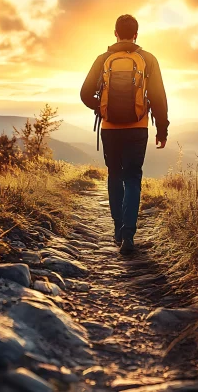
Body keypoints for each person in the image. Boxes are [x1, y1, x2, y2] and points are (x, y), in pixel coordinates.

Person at [80, 14, 169, 255]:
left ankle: (118, 229)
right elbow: (159, 97)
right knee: (133, 177)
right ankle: (129, 235)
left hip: (110, 128)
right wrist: (162, 128)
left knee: (115, 175)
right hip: (138, 128)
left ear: (115, 33)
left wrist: (102, 109)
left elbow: (85, 93)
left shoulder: (103, 59)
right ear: (136, 35)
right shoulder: (148, 59)